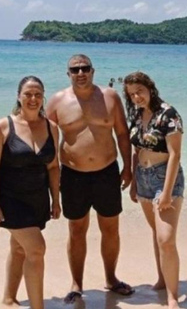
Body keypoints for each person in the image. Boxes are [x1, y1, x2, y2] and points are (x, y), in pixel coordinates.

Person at [45, 54, 134, 304]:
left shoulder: (110, 97)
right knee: (76, 231)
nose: (80, 73)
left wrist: (128, 167)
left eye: (85, 68)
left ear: (93, 71)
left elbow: (122, 133)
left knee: (111, 228)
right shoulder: (56, 101)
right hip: (73, 175)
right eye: (75, 69)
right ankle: (76, 284)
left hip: (107, 172)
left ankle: (111, 278)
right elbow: (45, 142)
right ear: (68, 74)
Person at [0, 76, 61, 309]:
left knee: (19, 248)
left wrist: (56, 200)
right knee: (36, 249)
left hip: (37, 200)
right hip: (10, 200)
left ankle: (9, 298)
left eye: (38, 94)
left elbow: (53, 166)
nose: (33, 99)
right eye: (28, 94)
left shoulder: (52, 127)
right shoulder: (3, 127)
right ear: (19, 96)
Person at [123, 72, 185, 309]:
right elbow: (136, 150)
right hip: (144, 178)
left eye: (140, 91)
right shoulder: (137, 115)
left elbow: (175, 155)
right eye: (131, 94)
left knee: (166, 239)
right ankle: (161, 278)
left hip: (164, 178)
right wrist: (135, 183)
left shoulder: (168, 114)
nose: (136, 97)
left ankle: (172, 297)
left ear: (150, 88)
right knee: (156, 232)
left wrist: (167, 192)